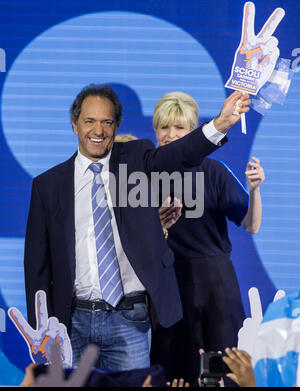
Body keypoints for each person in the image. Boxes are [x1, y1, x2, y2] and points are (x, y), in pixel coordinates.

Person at [24, 84, 251, 372]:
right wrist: (41, 327)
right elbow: (37, 268)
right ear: (74, 125)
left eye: (107, 121)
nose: (98, 130)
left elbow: (179, 153)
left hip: (130, 320)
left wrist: (221, 123)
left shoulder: (137, 162)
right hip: (73, 323)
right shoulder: (48, 186)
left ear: (116, 126)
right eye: (89, 121)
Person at [150, 91, 264, 384]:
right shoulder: (144, 175)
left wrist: (254, 190)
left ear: (193, 132)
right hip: (170, 282)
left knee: (225, 369)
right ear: (155, 129)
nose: (171, 135)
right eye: (164, 127)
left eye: (180, 128)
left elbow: (251, 225)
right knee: (176, 371)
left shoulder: (214, 171)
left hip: (217, 284)